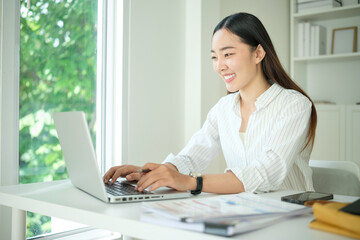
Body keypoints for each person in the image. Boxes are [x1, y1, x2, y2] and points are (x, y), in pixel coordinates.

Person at [103, 12, 317, 195]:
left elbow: (266, 174)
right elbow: (192, 156)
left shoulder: (294, 105)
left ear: (258, 53)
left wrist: (192, 182)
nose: (220, 66)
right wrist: (153, 173)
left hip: (293, 216)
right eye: (215, 57)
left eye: (228, 54)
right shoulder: (223, 109)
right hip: (245, 214)